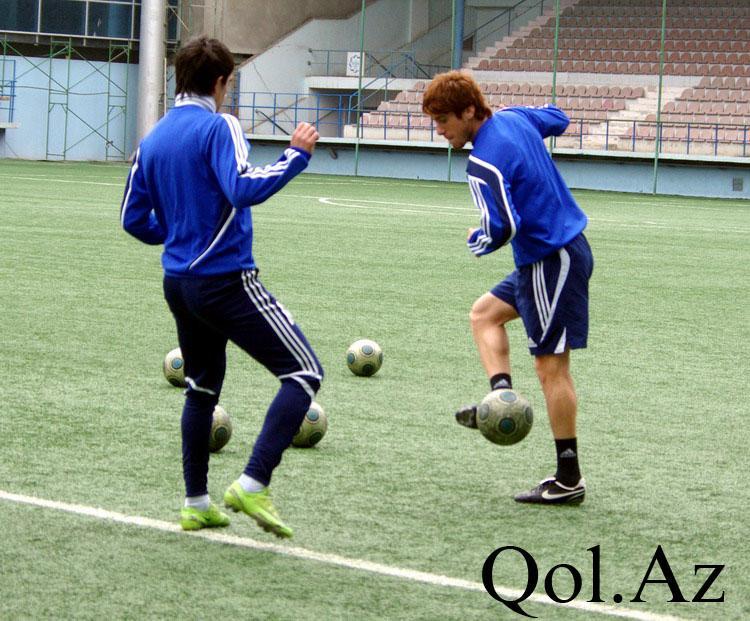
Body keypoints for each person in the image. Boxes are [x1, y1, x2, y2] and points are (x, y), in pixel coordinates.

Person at [120, 36, 323, 537]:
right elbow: (242, 187)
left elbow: (132, 218)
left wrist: (177, 234)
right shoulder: (220, 126)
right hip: (224, 280)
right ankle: (253, 482)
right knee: (303, 372)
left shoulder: (153, 138)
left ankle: (196, 503)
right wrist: (296, 156)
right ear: (219, 82)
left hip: (178, 282)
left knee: (201, 387)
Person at [422, 70, 593, 505]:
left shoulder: (483, 162)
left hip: (550, 260)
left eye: (443, 120)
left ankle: (568, 479)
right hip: (554, 254)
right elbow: (558, 118)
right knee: (484, 314)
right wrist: (526, 123)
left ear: (468, 111)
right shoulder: (515, 117)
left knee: (552, 368)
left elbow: (503, 226)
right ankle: (501, 395)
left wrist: (477, 240)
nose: (439, 130)